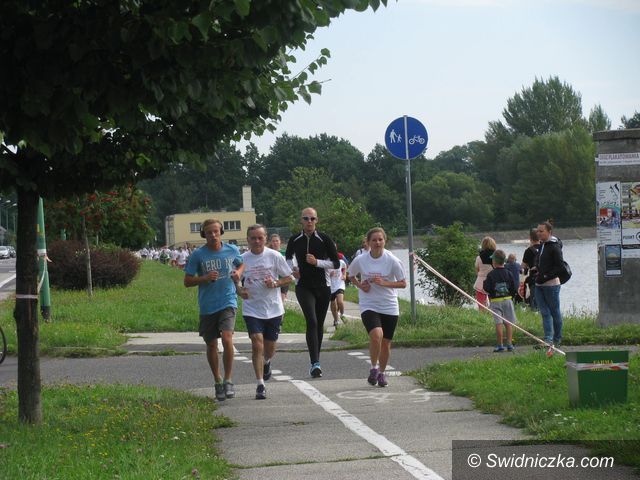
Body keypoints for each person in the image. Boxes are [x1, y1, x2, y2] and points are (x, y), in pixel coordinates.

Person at [184, 219, 244, 402]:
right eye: (209, 232)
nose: (213, 235)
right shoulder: (198, 255)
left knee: (227, 338)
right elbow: (187, 281)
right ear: (204, 234)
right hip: (208, 305)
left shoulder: (232, 250)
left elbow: (241, 263)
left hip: (228, 300)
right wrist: (204, 278)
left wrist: (238, 273)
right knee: (211, 344)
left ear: (221, 232)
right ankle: (217, 380)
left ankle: (228, 379)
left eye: (216, 231)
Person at [348, 227, 406, 388]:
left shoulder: (392, 260)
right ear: (368, 242)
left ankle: (381, 372)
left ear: (384, 241)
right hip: (369, 303)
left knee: (386, 342)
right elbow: (350, 275)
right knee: (376, 335)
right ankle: (373, 367)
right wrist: (361, 285)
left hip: (389, 305)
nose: (377, 243)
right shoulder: (361, 259)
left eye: (380, 239)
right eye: (374, 240)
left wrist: (384, 283)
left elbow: (403, 283)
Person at [239, 225, 293, 400]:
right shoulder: (242, 259)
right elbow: (235, 280)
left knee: (269, 348)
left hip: (273, 308)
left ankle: (267, 362)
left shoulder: (274, 256)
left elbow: (290, 277)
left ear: (265, 239)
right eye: (253, 238)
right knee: (257, 343)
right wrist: (240, 290)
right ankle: (260, 384)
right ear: (247, 239)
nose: (256, 241)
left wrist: (276, 283)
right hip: (252, 308)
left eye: (260, 238)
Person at [286, 207, 340, 378]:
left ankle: (317, 359)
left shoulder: (324, 239)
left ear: (317, 220)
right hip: (303, 286)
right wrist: (293, 270)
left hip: (323, 286)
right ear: (301, 220)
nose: (309, 221)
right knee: (312, 320)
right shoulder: (295, 239)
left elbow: (336, 263)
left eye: (312, 218)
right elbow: (287, 257)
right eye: (306, 218)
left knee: (319, 323)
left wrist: (317, 262)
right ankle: (314, 363)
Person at [534, 221, 565, 348]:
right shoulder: (542, 245)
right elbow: (541, 262)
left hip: (551, 285)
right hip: (539, 285)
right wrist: (536, 269)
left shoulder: (554, 246)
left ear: (549, 232)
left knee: (554, 312)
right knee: (544, 312)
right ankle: (548, 339)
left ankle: (557, 339)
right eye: (537, 231)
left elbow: (560, 267)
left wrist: (546, 276)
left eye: (541, 231)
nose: (538, 233)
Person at [483, 249, 518, 352]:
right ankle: (509, 344)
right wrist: (511, 295)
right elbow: (513, 287)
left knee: (498, 323)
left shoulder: (491, 274)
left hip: (495, 301)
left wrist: (486, 283)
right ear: (504, 261)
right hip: (507, 300)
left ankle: (500, 345)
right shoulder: (509, 273)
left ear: (494, 262)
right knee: (508, 322)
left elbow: (487, 288)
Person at [473, 236, 496, 310]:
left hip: (480, 282)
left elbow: (477, 269)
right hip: (493, 282)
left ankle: (483, 316)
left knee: (481, 306)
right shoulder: (496, 257)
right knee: (495, 306)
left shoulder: (479, 257)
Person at [521, 228, 540, 309]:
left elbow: (523, 266)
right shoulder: (544, 248)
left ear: (530, 238)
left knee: (534, 301)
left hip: (533, 279)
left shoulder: (528, 251)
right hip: (545, 277)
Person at [268, 233, 289, 303]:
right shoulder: (268, 254)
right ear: (271, 242)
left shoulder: (285, 253)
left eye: (277, 241)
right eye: (273, 241)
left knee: (281, 302)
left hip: (284, 280)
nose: (275, 243)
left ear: (280, 241)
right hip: (272, 280)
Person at [329, 251, 347, 327]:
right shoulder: (326, 263)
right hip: (330, 286)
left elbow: (345, 267)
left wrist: (344, 275)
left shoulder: (341, 262)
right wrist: (329, 274)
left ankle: (342, 315)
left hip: (340, 284)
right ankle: (336, 320)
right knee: (333, 304)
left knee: (340, 301)